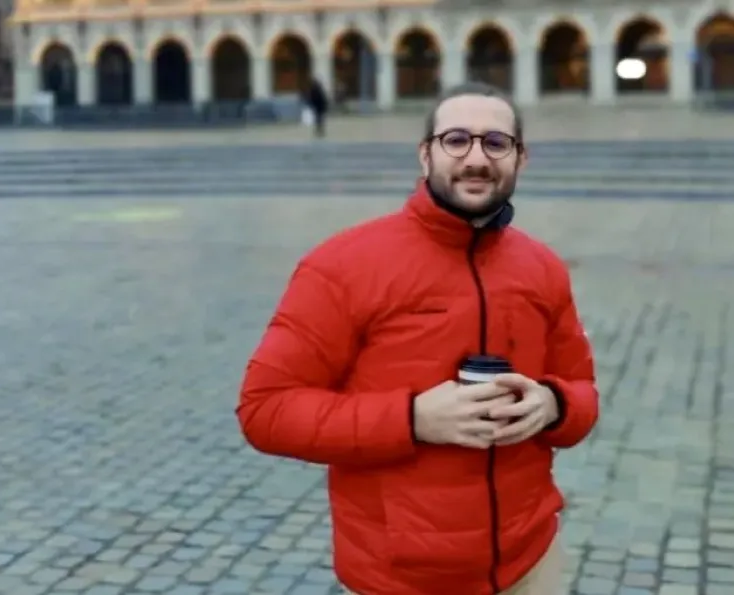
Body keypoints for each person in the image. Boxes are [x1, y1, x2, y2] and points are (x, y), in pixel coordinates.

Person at [237, 81, 599, 595]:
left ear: (521, 158)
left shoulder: (542, 268)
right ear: (426, 155)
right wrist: (412, 419)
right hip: (401, 578)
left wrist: (554, 404)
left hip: (530, 563)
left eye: (496, 143)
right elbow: (264, 411)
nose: (477, 157)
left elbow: (583, 392)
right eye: (456, 140)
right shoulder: (342, 266)